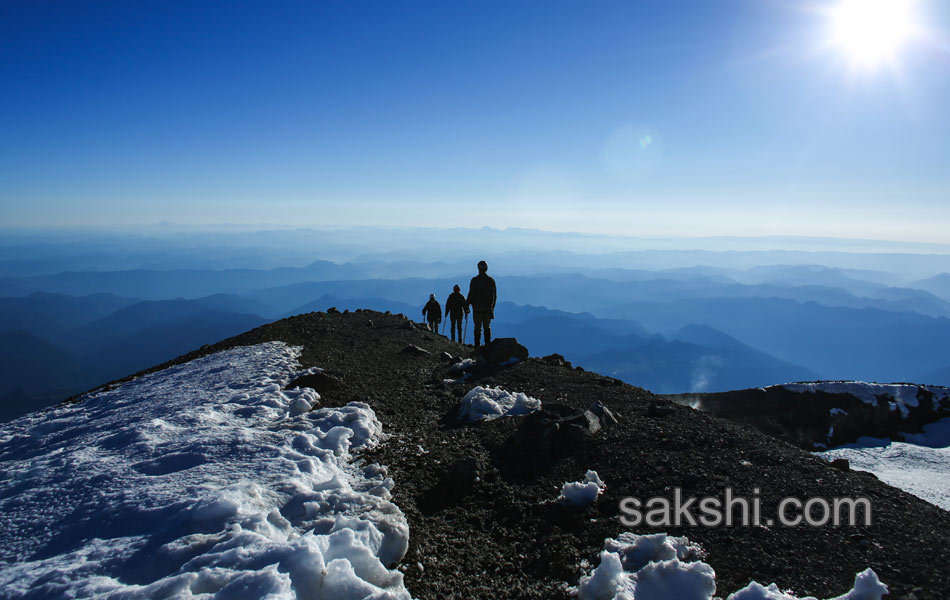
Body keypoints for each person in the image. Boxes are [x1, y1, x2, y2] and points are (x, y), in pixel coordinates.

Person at [466, 260, 496, 348]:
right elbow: (494, 296)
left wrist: (466, 306)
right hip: (487, 309)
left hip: (477, 308)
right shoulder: (491, 281)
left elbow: (471, 294)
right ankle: (488, 345)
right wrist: (492, 308)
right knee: (487, 327)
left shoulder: (474, 280)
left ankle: (477, 346)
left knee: (477, 328)